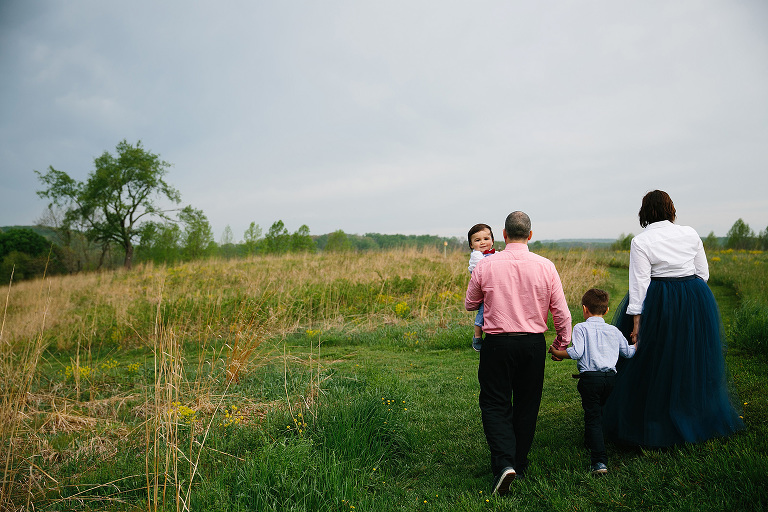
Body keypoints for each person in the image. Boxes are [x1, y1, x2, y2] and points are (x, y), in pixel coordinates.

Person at [602, 190, 745, 448]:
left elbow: (639, 286)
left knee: (656, 357)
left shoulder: (641, 241)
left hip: (660, 300)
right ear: (671, 210)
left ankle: (655, 419)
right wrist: (689, 295)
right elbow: (703, 273)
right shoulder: (690, 234)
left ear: (644, 213)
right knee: (692, 355)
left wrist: (636, 324)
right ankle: (696, 414)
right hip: (695, 296)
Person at [465, 211, 572, 496]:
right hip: (532, 344)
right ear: (530, 235)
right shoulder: (546, 266)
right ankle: (519, 464)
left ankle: (504, 464)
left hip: (497, 343)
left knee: (494, 402)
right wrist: (563, 339)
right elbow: (560, 310)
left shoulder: (486, 265)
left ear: (503, 234)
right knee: (527, 403)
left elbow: (470, 302)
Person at [549, 288, 636, 475]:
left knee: (593, 417)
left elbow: (576, 352)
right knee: (599, 411)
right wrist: (639, 341)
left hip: (590, 380)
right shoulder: (613, 330)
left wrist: (557, 353)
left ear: (584, 308)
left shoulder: (581, 327)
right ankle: (591, 441)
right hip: (610, 380)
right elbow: (628, 352)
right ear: (606, 311)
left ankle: (599, 462)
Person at [467, 223, 496, 351]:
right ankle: (477, 336)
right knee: (483, 311)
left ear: (492, 241)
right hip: (484, 288)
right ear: (471, 245)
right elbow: (481, 268)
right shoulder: (476, 256)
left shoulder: (496, 254)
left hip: (494, 287)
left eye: (486, 239)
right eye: (477, 240)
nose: (483, 242)